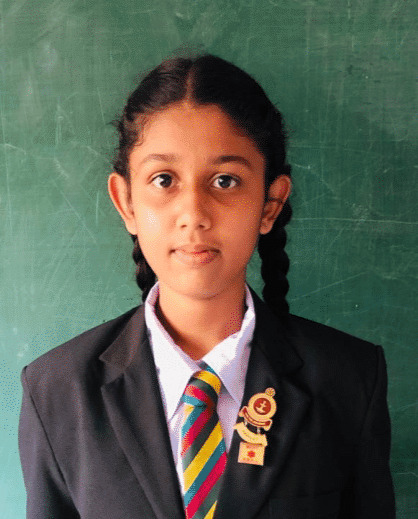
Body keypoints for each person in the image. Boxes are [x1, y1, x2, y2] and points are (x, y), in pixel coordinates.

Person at [18, 54, 395, 519]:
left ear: (270, 204)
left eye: (225, 180)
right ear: (126, 201)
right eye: (164, 180)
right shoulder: (58, 390)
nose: (194, 213)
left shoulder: (348, 380)